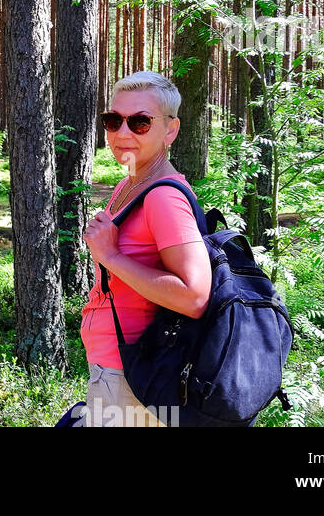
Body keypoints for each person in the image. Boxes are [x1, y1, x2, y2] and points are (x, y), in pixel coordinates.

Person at [76, 71, 212, 427]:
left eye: (140, 122)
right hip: (116, 365)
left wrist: (111, 256)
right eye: (113, 120)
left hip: (135, 372)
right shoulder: (130, 182)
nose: (122, 133)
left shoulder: (164, 197)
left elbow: (194, 297)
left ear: (170, 130)